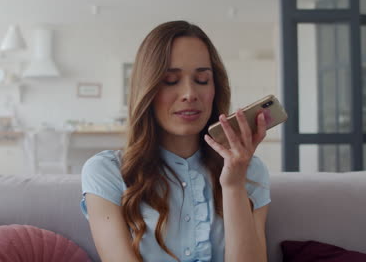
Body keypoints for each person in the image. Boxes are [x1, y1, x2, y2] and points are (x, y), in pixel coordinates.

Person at [80, 20, 271, 262]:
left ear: (215, 89)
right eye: (170, 81)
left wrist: (233, 186)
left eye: (202, 80)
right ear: (147, 90)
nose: (190, 94)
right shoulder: (106, 171)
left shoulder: (251, 171)